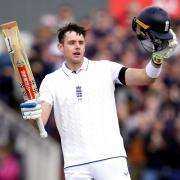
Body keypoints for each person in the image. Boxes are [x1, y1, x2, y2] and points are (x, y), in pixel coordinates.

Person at [20, 6, 177, 180]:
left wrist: (157, 58)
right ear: (60, 47)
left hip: (111, 158)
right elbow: (40, 124)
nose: (77, 47)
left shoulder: (105, 68)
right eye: (71, 43)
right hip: (76, 164)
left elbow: (146, 77)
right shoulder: (51, 81)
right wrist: (32, 116)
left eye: (81, 42)